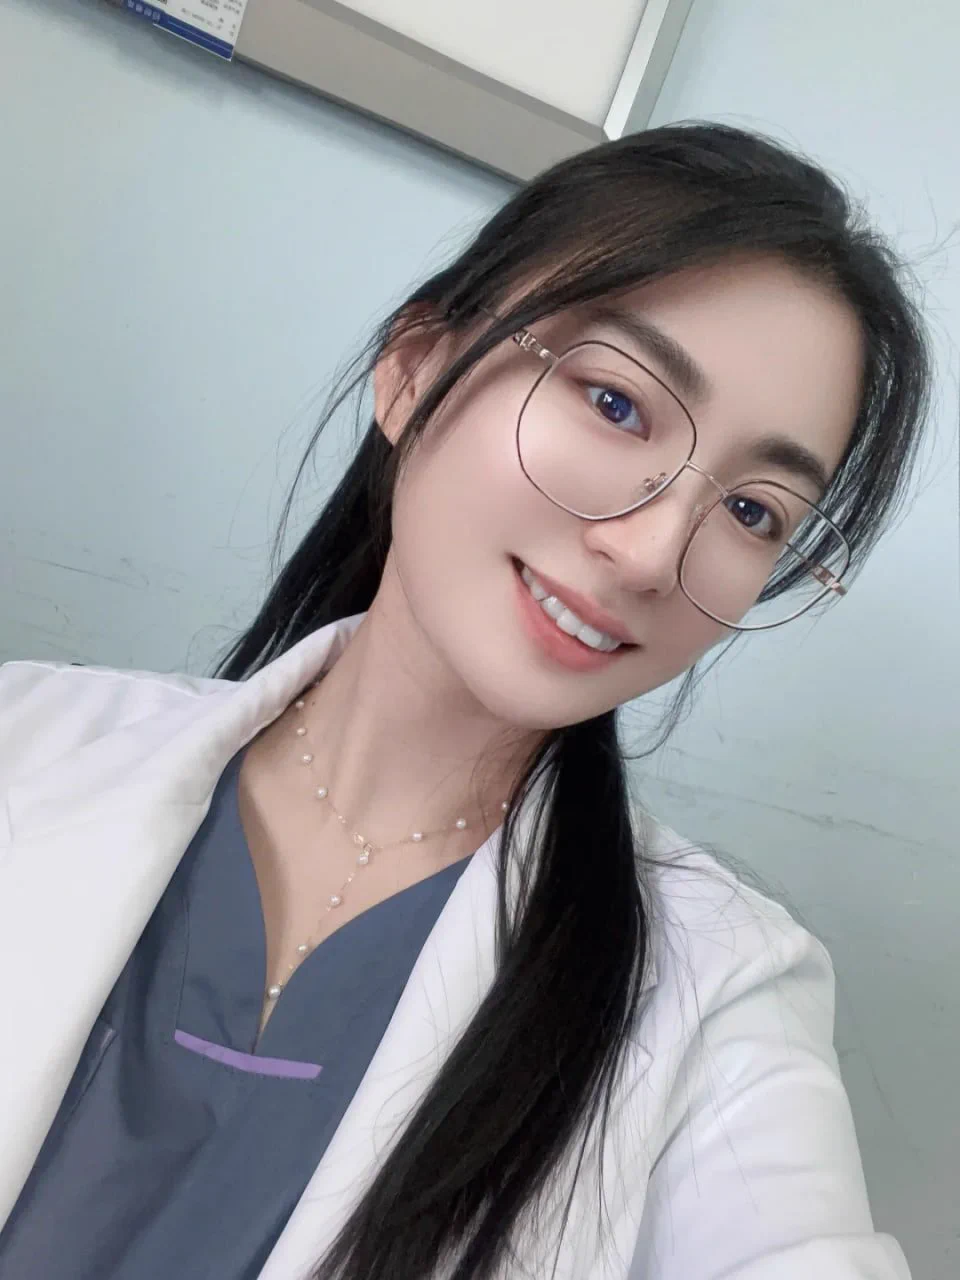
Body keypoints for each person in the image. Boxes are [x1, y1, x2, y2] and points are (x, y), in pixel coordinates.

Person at [0, 122, 930, 1280]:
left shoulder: (720, 993)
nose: (652, 552)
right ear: (414, 369)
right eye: (616, 402)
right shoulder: (27, 740)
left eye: (753, 512)